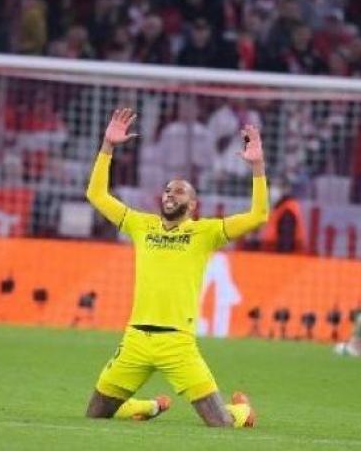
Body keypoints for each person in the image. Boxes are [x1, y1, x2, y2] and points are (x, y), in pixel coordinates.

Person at [84, 108, 269, 427]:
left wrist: (257, 166)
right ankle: (150, 407)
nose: (171, 194)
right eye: (168, 189)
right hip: (136, 340)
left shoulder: (205, 232)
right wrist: (108, 147)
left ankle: (241, 410)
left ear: (193, 205)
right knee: (95, 415)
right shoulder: (142, 225)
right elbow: (96, 194)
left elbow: (258, 216)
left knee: (221, 423)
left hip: (177, 343)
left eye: (180, 191)